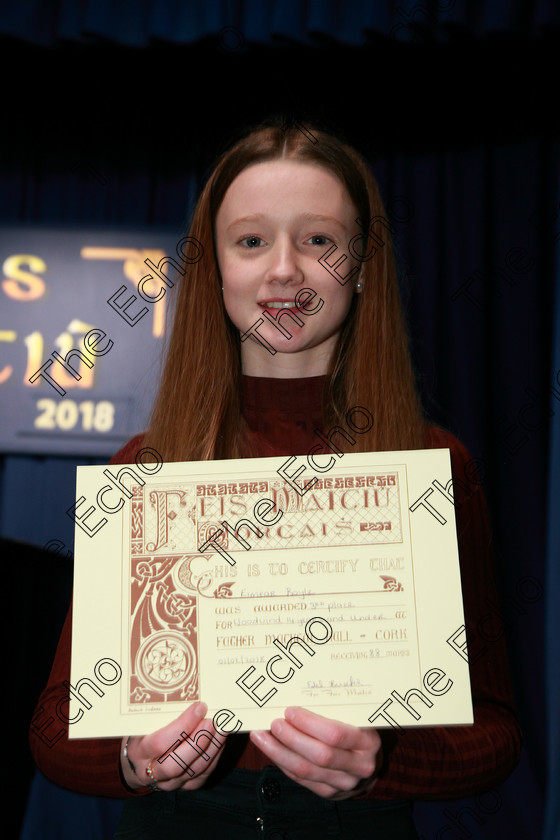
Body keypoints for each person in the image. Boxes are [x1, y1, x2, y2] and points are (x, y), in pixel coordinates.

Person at [29, 118, 522, 840]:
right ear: (216, 265)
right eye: (252, 240)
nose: (284, 270)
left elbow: (495, 733)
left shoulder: (433, 466)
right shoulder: (145, 468)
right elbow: (53, 730)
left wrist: (383, 762)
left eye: (318, 239)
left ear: (359, 264)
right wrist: (133, 762)